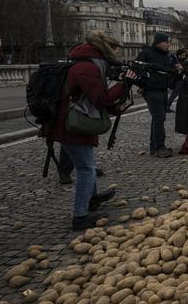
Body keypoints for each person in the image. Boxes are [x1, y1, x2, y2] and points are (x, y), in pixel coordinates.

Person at [42, 31, 135, 230]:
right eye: (114, 51)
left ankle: (91, 199)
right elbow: (100, 99)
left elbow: (91, 97)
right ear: (104, 49)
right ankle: (80, 216)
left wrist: (115, 106)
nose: (115, 56)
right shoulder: (87, 67)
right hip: (72, 124)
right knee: (86, 169)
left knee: (88, 165)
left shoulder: (87, 63)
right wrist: (123, 84)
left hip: (73, 120)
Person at [136, 33, 177, 158]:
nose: (168, 45)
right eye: (166, 42)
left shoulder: (166, 55)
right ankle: (159, 147)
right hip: (152, 90)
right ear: (158, 42)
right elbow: (136, 69)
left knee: (158, 118)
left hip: (163, 90)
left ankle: (154, 146)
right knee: (159, 117)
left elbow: (169, 71)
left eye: (169, 43)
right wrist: (144, 84)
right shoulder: (146, 53)